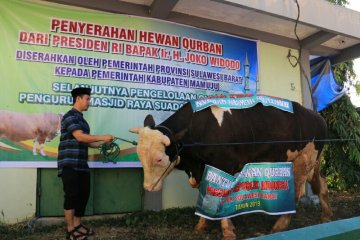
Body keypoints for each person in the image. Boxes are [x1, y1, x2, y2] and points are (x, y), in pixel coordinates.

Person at [57, 87, 113, 240]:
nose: (89, 102)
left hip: (82, 164)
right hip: (69, 163)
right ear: (78, 99)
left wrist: (103, 143)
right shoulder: (69, 116)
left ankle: (77, 225)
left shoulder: (83, 121)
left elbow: (88, 142)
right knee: (72, 195)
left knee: (83, 195)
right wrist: (102, 136)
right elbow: (80, 137)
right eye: (87, 99)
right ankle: (70, 230)